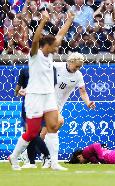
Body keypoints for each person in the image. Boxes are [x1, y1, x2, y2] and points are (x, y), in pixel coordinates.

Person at [9, 11, 75, 171]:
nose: (57, 47)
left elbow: (59, 35)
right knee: (32, 132)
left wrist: (69, 20)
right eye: (55, 46)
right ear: (47, 46)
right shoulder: (34, 55)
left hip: (48, 96)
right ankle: (14, 157)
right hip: (34, 97)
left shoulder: (50, 54)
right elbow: (36, 39)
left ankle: (53, 162)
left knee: (53, 127)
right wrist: (43, 22)